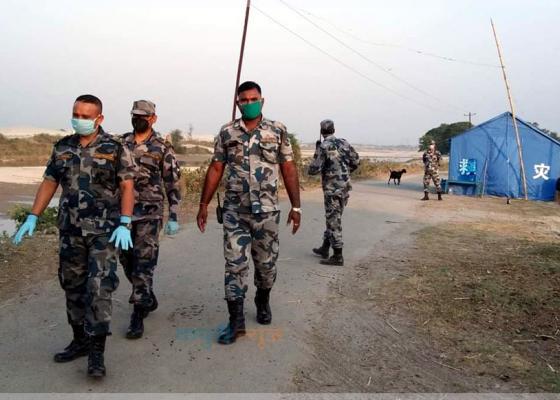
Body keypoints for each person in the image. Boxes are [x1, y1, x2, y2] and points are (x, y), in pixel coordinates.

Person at [12, 94, 136, 378]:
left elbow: (127, 186)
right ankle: (79, 340)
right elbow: (50, 182)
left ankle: (96, 352)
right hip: (70, 229)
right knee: (72, 285)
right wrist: (33, 215)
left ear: (99, 118)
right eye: (76, 114)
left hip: (104, 231)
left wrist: (125, 222)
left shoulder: (115, 147)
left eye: (85, 116)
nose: (79, 120)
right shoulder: (63, 147)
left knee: (100, 287)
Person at [196, 81, 301, 345]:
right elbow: (216, 168)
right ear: (238, 103)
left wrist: (296, 206)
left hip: (267, 212)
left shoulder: (277, 130)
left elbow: (288, 168)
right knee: (235, 266)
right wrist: (203, 204)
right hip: (235, 212)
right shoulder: (227, 132)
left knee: (266, 265)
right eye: (244, 100)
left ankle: (262, 299)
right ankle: (236, 322)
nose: (249, 103)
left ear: (262, 101)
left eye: (254, 99)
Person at [119, 100, 182, 339]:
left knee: (143, 261)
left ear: (153, 118)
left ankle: (138, 313)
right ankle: (147, 295)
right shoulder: (120, 143)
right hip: (123, 214)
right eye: (135, 115)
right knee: (126, 259)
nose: (138, 119)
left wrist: (173, 214)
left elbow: (172, 182)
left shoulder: (162, 147)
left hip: (149, 212)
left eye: (143, 116)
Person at [308, 119, 359, 266]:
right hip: (345, 187)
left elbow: (313, 170)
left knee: (333, 219)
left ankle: (337, 255)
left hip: (332, 190)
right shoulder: (344, 143)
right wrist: (344, 173)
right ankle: (325, 247)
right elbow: (356, 162)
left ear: (321, 131)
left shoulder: (323, 146)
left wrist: (317, 151)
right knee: (334, 217)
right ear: (334, 130)